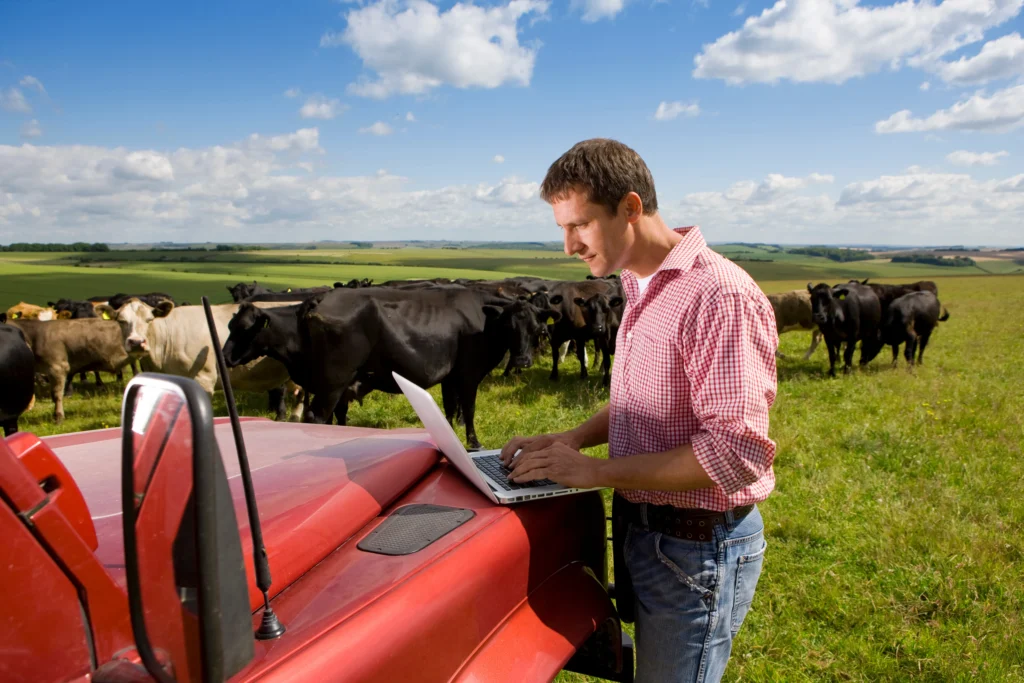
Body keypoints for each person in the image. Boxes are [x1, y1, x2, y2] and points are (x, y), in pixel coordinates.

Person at [500, 138, 779, 682]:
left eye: (580, 225)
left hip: (696, 547)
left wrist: (595, 473)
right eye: (562, 228)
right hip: (649, 532)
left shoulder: (718, 295)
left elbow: (736, 453)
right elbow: (640, 400)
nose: (568, 246)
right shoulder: (639, 281)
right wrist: (572, 439)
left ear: (630, 207)